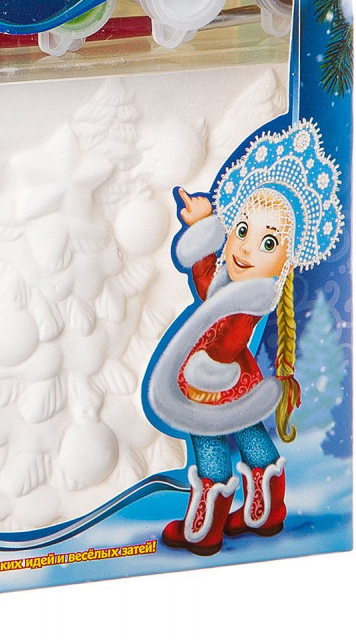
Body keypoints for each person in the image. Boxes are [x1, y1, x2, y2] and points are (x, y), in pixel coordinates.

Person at [146, 119, 343, 556]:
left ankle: (206, 526)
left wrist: (204, 374)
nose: (247, 248)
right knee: (251, 433)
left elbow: (227, 335)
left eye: (268, 243)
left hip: (214, 378)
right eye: (241, 231)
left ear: (287, 259)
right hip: (241, 378)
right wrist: (203, 228)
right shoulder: (231, 286)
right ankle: (266, 508)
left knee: (208, 438)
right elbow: (207, 290)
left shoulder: (254, 296)